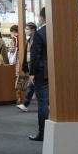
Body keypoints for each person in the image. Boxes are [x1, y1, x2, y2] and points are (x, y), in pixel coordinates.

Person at [28, 9, 49, 141]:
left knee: (43, 102)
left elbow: (36, 56)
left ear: (42, 17)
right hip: (57, 72)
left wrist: (32, 73)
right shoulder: (59, 31)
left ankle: (43, 132)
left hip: (42, 72)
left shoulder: (40, 33)